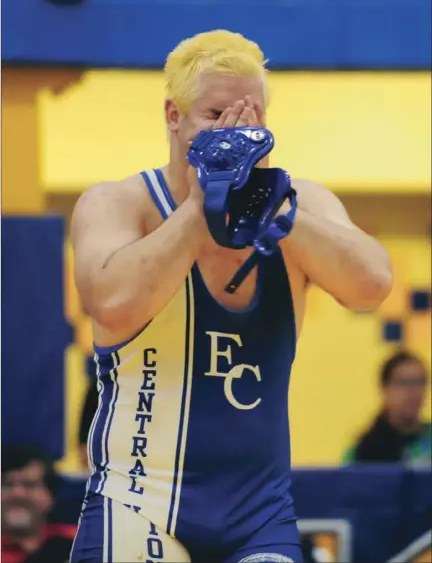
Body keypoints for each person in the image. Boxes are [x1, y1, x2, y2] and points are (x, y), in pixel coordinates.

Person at [69, 30, 392, 563]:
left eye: (249, 117)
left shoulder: (299, 204)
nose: (233, 133)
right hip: (137, 503)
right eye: (215, 115)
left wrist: (278, 212)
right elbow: (111, 305)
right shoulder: (118, 203)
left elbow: (371, 287)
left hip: (256, 515)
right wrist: (202, 207)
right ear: (173, 117)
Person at [344, 350, 431, 465]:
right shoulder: (363, 450)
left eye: (419, 382)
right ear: (385, 389)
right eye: (404, 382)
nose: (413, 391)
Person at [1, 444, 76, 563]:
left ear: (50, 496)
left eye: (30, 484)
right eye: (6, 485)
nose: (17, 494)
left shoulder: (82, 542)